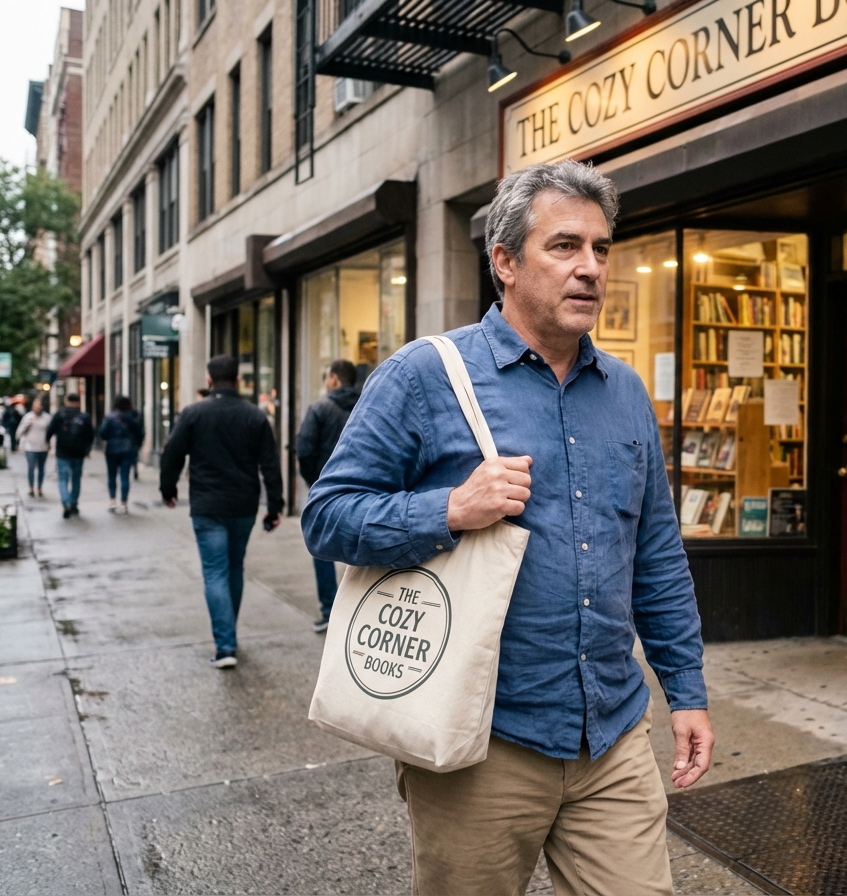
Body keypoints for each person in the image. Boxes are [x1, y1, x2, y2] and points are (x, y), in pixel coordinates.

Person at [303, 160, 712, 895]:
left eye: (601, 248)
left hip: (611, 736)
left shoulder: (624, 394)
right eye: (564, 247)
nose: (590, 268)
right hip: (480, 743)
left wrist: (687, 691)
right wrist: (448, 510)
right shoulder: (425, 375)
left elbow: (656, 555)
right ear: (505, 262)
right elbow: (328, 517)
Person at [160, 355, 284, 669]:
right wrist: (275, 506)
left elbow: (172, 454)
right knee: (234, 568)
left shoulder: (194, 413)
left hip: (208, 505)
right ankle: (229, 637)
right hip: (243, 505)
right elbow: (270, 464)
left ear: (210, 378)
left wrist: (168, 489)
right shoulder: (255, 416)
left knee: (215, 572)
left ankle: (225, 645)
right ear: (238, 379)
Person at [295, 359, 359, 633]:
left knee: (322, 548)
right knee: (365, 546)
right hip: (365, 487)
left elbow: (305, 451)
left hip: (328, 487)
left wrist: (317, 482)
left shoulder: (320, 408)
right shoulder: (368, 402)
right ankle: (359, 608)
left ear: (334, 379)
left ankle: (329, 609)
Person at [46, 393, 94, 518]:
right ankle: (73, 504)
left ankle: (66, 502)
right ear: (78, 402)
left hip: (62, 452)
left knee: (62, 478)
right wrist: (87, 449)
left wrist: (48, 443)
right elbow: (90, 435)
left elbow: (50, 430)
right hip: (79, 453)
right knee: (76, 479)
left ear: (67, 401)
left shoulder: (59, 415)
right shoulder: (84, 417)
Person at [98, 395, 145, 513]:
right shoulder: (133, 417)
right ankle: (124, 503)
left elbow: (103, 434)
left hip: (112, 450)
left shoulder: (110, 417)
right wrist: (137, 446)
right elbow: (140, 434)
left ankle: (112, 501)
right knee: (125, 476)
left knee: (112, 476)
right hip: (128, 450)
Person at [15, 398, 52, 497]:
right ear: (32, 407)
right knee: (31, 467)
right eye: (35, 407)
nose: (37, 408)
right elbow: (19, 432)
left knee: (41, 468)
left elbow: (50, 432)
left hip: (43, 446)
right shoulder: (28, 417)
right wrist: (28, 424)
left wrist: (50, 444)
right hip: (30, 447)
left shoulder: (47, 418)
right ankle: (31, 487)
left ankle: (39, 487)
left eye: (39, 406)